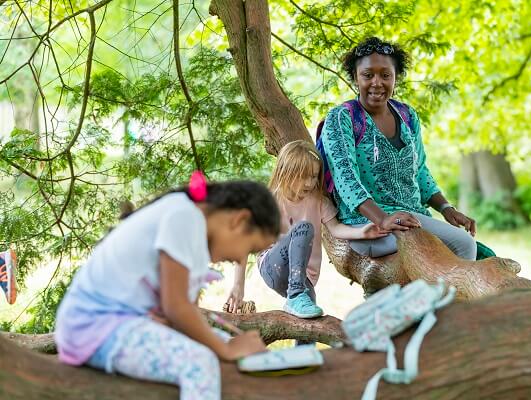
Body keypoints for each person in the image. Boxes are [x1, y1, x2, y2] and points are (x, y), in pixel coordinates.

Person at [55, 172, 280, 400]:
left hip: (123, 324)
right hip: (95, 327)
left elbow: (180, 315)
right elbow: (176, 306)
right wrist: (228, 349)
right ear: (239, 220)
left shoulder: (193, 226)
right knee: (200, 363)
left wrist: (230, 344)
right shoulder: (185, 217)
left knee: (221, 342)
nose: (241, 260)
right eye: (250, 250)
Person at [319, 37, 477, 260]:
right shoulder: (342, 118)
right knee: (464, 245)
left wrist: (446, 209)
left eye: (385, 75)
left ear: (396, 78)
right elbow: (346, 180)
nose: (377, 82)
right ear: (355, 77)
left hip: (412, 218)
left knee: (470, 249)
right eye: (367, 75)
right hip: (369, 226)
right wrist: (383, 218)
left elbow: (420, 171)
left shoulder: (407, 116)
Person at [235, 140, 388, 319]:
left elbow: (336, 228)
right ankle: (295, 295)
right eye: (303, 176)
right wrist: (238, 287)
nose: (310, 182)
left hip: (304, 278)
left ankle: (303, 340)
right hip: (273, 266)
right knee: (304, 228)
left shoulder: (318, 201)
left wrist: (362, 232)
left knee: (310, 316)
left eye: (314, 176)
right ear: (286, 173)